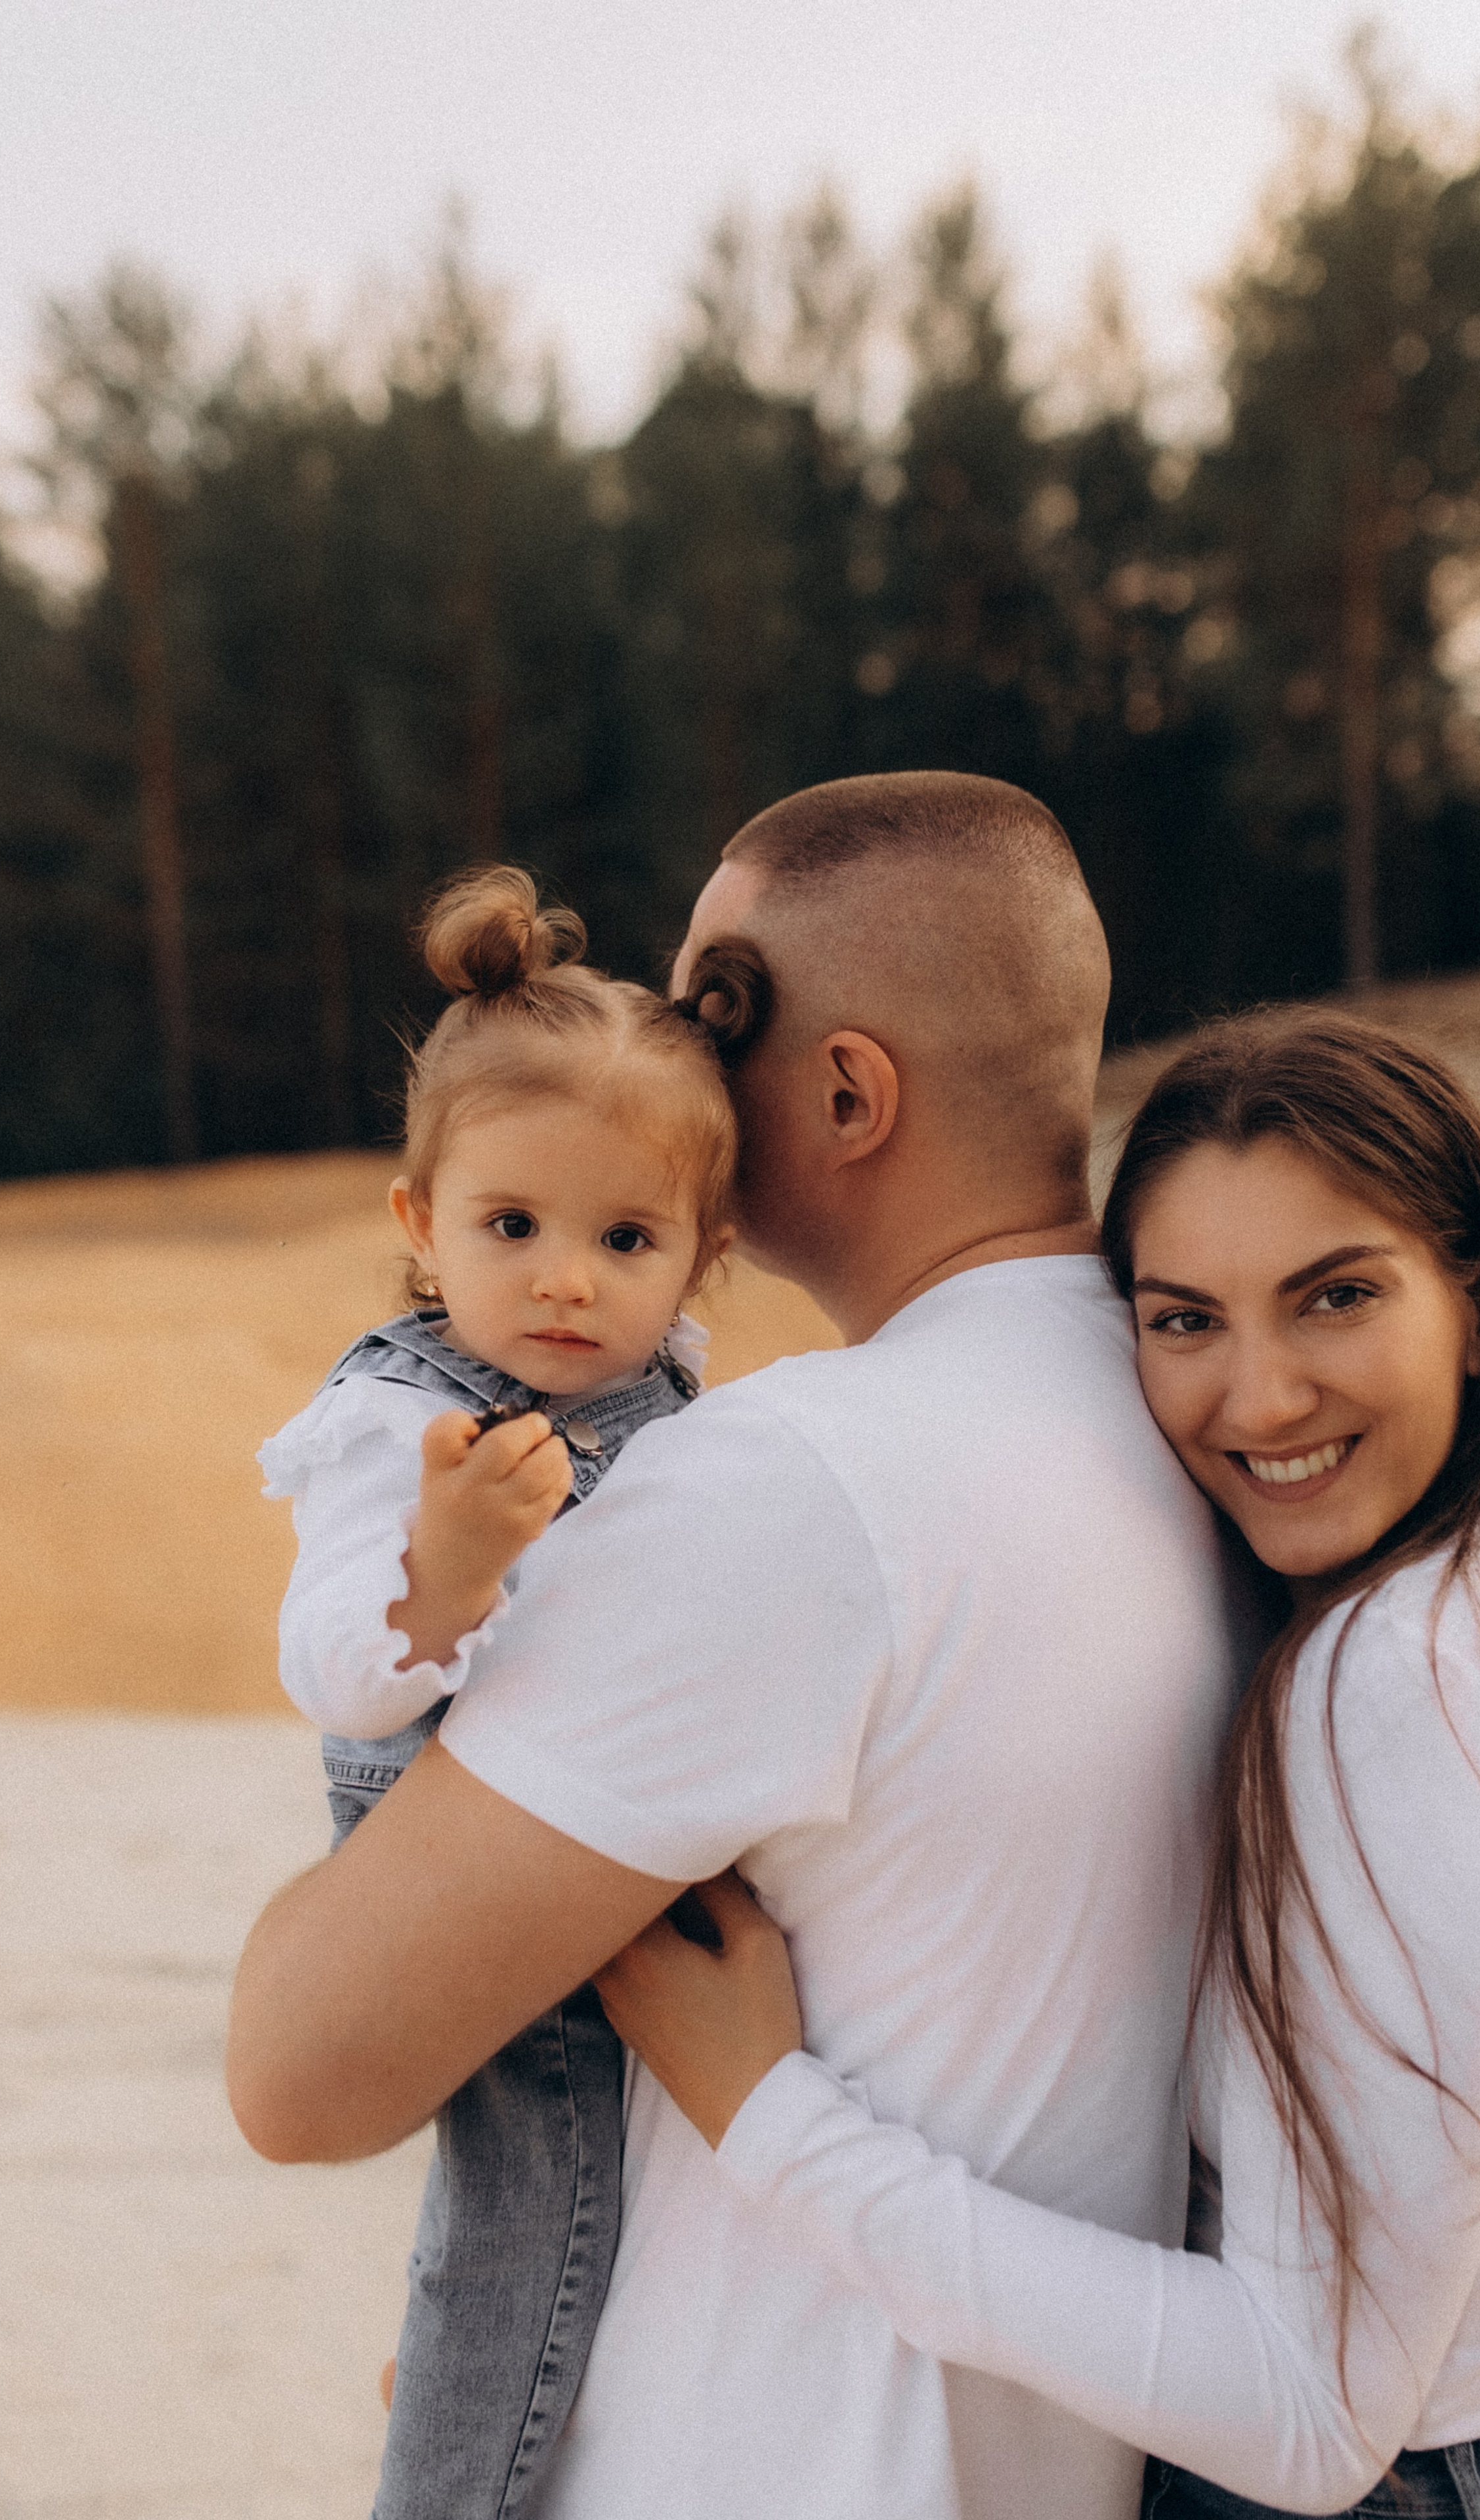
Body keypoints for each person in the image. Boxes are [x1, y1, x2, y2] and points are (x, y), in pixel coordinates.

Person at [227, 771, 1248, 2520]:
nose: (664, 1055)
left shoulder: (790, 1486)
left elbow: (301, 2069)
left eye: (711, 1014)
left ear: (847, 1092)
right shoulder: (1212, 1429)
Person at [597, 1009, 1480, 2520]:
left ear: (1474, 1306)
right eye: (1182, 1320)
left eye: (1334, 1298)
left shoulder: (1400, 1684)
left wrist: (772, 2119)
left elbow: (1309, 2417)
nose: (1261, 1396)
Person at [255, 864, 747, 2517]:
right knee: (528, 2222)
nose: (563, 1281)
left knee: (650, 2212)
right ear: (420, 1223)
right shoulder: (399, 1422)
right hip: (459, 1860)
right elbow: (333, 1673)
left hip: (611, 1837)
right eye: (510, 1227)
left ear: (702, 1253)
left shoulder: (669, 1389)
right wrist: (446, 1567)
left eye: (626, 1239)